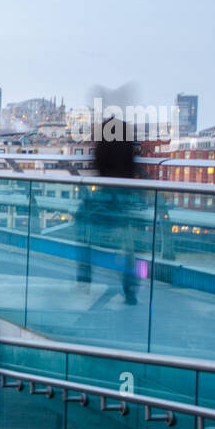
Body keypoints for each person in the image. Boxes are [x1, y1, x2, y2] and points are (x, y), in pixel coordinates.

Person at [78, 117, 139, 303]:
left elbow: (98, 168)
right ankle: (130, 290)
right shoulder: (127, 148)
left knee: (85, 237)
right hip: (122, 203)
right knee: (128, 249)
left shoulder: (102, 150)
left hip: (102, 201)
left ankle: (84, 279)